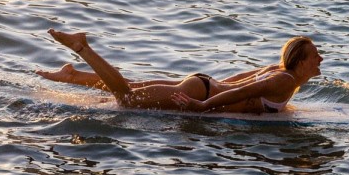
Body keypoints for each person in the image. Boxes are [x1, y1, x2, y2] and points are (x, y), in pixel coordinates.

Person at [36, 29, 322, 114]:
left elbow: (237, 81)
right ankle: (82, 48)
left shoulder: (280, 70)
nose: (320, 58)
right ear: (299, 62)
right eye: (314, 56)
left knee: (133, 85)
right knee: (126, 99)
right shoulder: (284, 81)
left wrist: (212, 87)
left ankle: (73, 76)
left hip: (205, 83)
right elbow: (244, 91)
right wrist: (203, 105)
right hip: (199, 92)